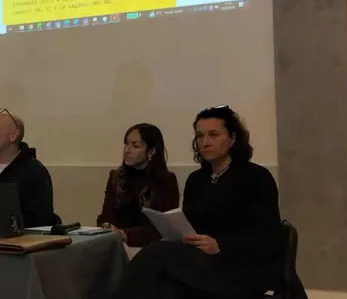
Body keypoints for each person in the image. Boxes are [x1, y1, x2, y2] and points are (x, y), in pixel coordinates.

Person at [113, 105, 284, 299]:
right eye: (200, 136)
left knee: (156, 252)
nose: (205, 142)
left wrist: (220, 245)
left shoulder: (256, 177)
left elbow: (267, 237)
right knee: (165, 287)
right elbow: (191, 224)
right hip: (202, 261)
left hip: (241, 266)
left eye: (213, 135)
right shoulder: (197, 179)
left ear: (232, 139)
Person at [97, 123, 180, 247]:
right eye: (126, 143)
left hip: (150, 247)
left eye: (135, 145)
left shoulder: (166, 180)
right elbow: (106, 216)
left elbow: (163, 227)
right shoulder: (116, 177)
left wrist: (125, 234)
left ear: (151, 151)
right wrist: (107, 226)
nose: (127, 150)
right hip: (116, 244)